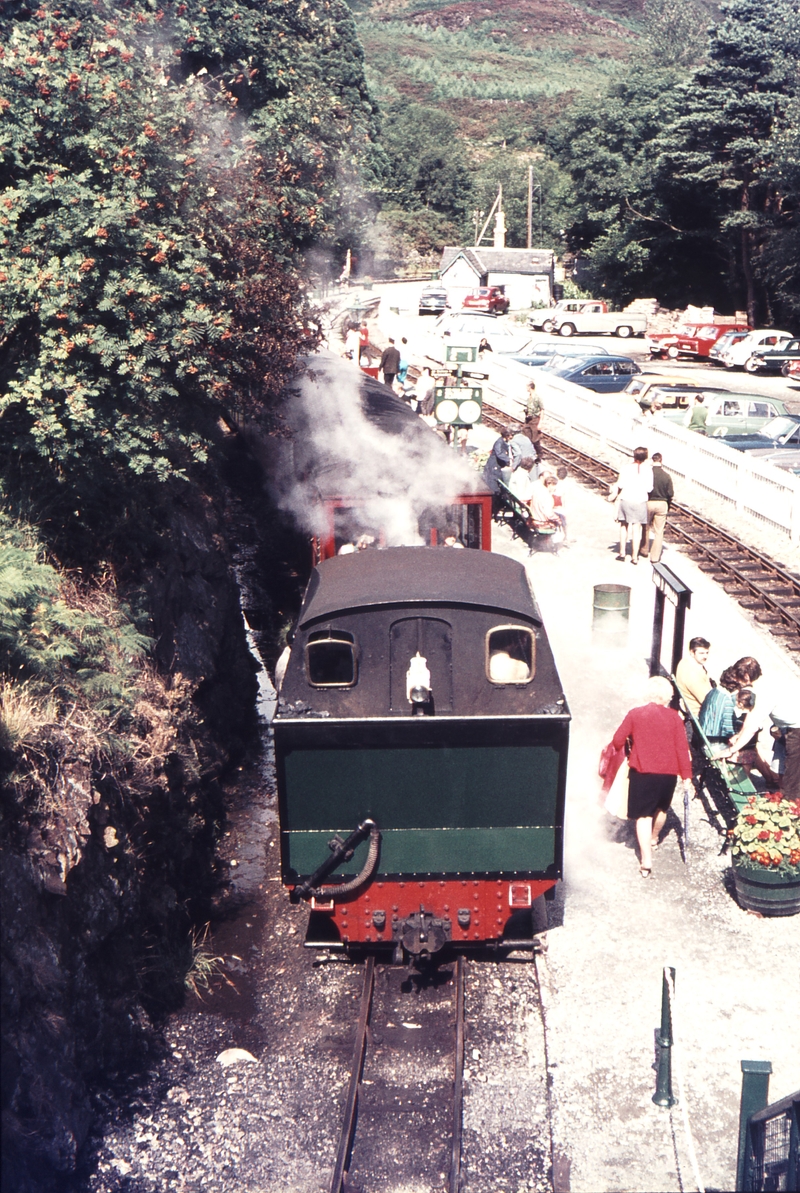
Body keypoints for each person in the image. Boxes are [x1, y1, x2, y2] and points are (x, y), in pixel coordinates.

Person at [609, 675, 692, 877]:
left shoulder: (635, 714)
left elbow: (617, 740)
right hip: (668, 774)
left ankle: (646, 860)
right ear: (667, 696)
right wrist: (687, 777)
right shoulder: (675, 718)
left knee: (643, 815)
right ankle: (654, 838)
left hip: (643, 772)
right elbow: (682, 749)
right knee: (661, 808)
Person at [726, 657, 800, 798]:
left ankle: (791, 810)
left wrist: (731, 750)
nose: (738, 684)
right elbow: (751, 716)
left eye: (739, 679)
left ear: (746, 676)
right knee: (783, 770)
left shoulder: (764, 692)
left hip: (797, 730)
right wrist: (739, 735)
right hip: (788, 728)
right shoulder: (766, 681)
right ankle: (783, 800)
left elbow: (753, 726)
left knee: (793, 779)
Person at [607, 446, 653, 564]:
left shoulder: (626, 468)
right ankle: (634, 557)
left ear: (634, 455)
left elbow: (620, 484)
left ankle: (622, 553)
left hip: (626, 499)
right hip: (641, 501)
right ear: (645, 457)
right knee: (636, 529)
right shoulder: (648, 470)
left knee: (624, 526)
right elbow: (649, 488)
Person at [642, 452, 674, 563]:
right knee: (659, 531)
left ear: (652, 460)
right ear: (661, 460)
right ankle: (655, 557)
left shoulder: (647, 473)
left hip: (648, 503)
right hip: (662, 504)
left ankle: (644, 550)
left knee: (645, 527)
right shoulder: (666, 476)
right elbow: (670, 493)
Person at [698, 666, 740, 743]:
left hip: (703, 737)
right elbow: (728, 729)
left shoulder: (713, 692)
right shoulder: (727, 701)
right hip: (715, 741)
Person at [675, 636, 713, 719]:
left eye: (707, 652)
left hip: (691, 709)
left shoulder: (684, 662)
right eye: (701, 653)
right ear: (692, 652)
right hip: (699, 714)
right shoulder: (693, 673)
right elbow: (708, 700)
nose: (705, 656)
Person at [520, 381, 543, 446]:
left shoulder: (537, 397)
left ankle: (539, 454)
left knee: (535, 439)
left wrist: (540, 423)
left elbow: (542, 410)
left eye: (527, 387)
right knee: (525, 434)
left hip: (535, 419)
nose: (526, 388)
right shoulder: (529, 397)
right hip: (528, 419)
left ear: (530, 387)